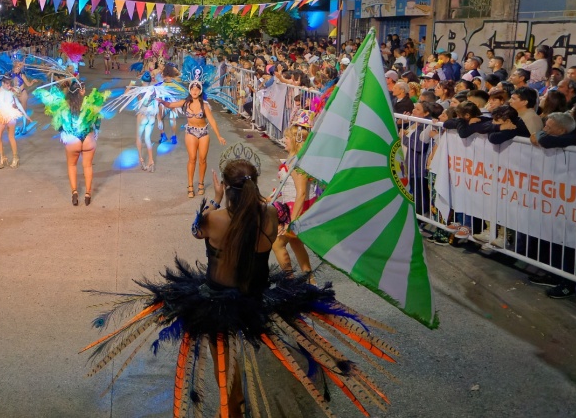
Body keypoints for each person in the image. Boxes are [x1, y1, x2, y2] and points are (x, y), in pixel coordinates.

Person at [83, 146, 396, 417]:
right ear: (254, 184)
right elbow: (263, 231)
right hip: (257, 296)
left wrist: (214, 202)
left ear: (225, 186)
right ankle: (235, 402)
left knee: (225, 370)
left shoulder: (213, 217)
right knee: (239, 355)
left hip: (217, 300)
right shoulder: (270, 214)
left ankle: (233, 404)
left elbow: (197, 232)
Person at [34, 79, 109, 206]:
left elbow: (59, 125)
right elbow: (97, 121)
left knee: (72, 165)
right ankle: (87, 195)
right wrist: (95, 132)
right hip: (88, 140)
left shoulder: (64, 106)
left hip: (72, 140)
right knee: (88, 166)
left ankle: (74, 193)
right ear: (81, 91)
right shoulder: (89, 104)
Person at [158, 79, 227, 198]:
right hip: (190, 132)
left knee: (202, 159)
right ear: (189, 90)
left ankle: (201, 183)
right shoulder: (185, 102)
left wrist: (219, 135)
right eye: (192, 89)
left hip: (203, 133)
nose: (195, 91)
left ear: (200, 91)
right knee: (192, 158)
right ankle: (190, 185)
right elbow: (170, 105)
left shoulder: (204, 105)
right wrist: (161, 101)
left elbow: (212, 121)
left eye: (197, 89)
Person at [270, 115, 315, 278]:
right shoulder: (293, 160)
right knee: (296, 244)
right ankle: (310, 280)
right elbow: (288, 186)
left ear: (295, 141)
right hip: (291, 208)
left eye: (287, 137)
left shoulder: (297, 164)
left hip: (295, 211)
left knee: (277, 245)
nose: (284, 140)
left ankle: (290, 280)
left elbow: (301, 193)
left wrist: (292, 222)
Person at [0, 77, 31, 169]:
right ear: (2, 83)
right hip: (1, 114)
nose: (8, 86)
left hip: (10, 115)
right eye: (6, 84)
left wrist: (26, 115)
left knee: (11, 137)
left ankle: (15, 157)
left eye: (9, 84)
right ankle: (3, 158)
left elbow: (17, 103)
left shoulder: (12, 91)